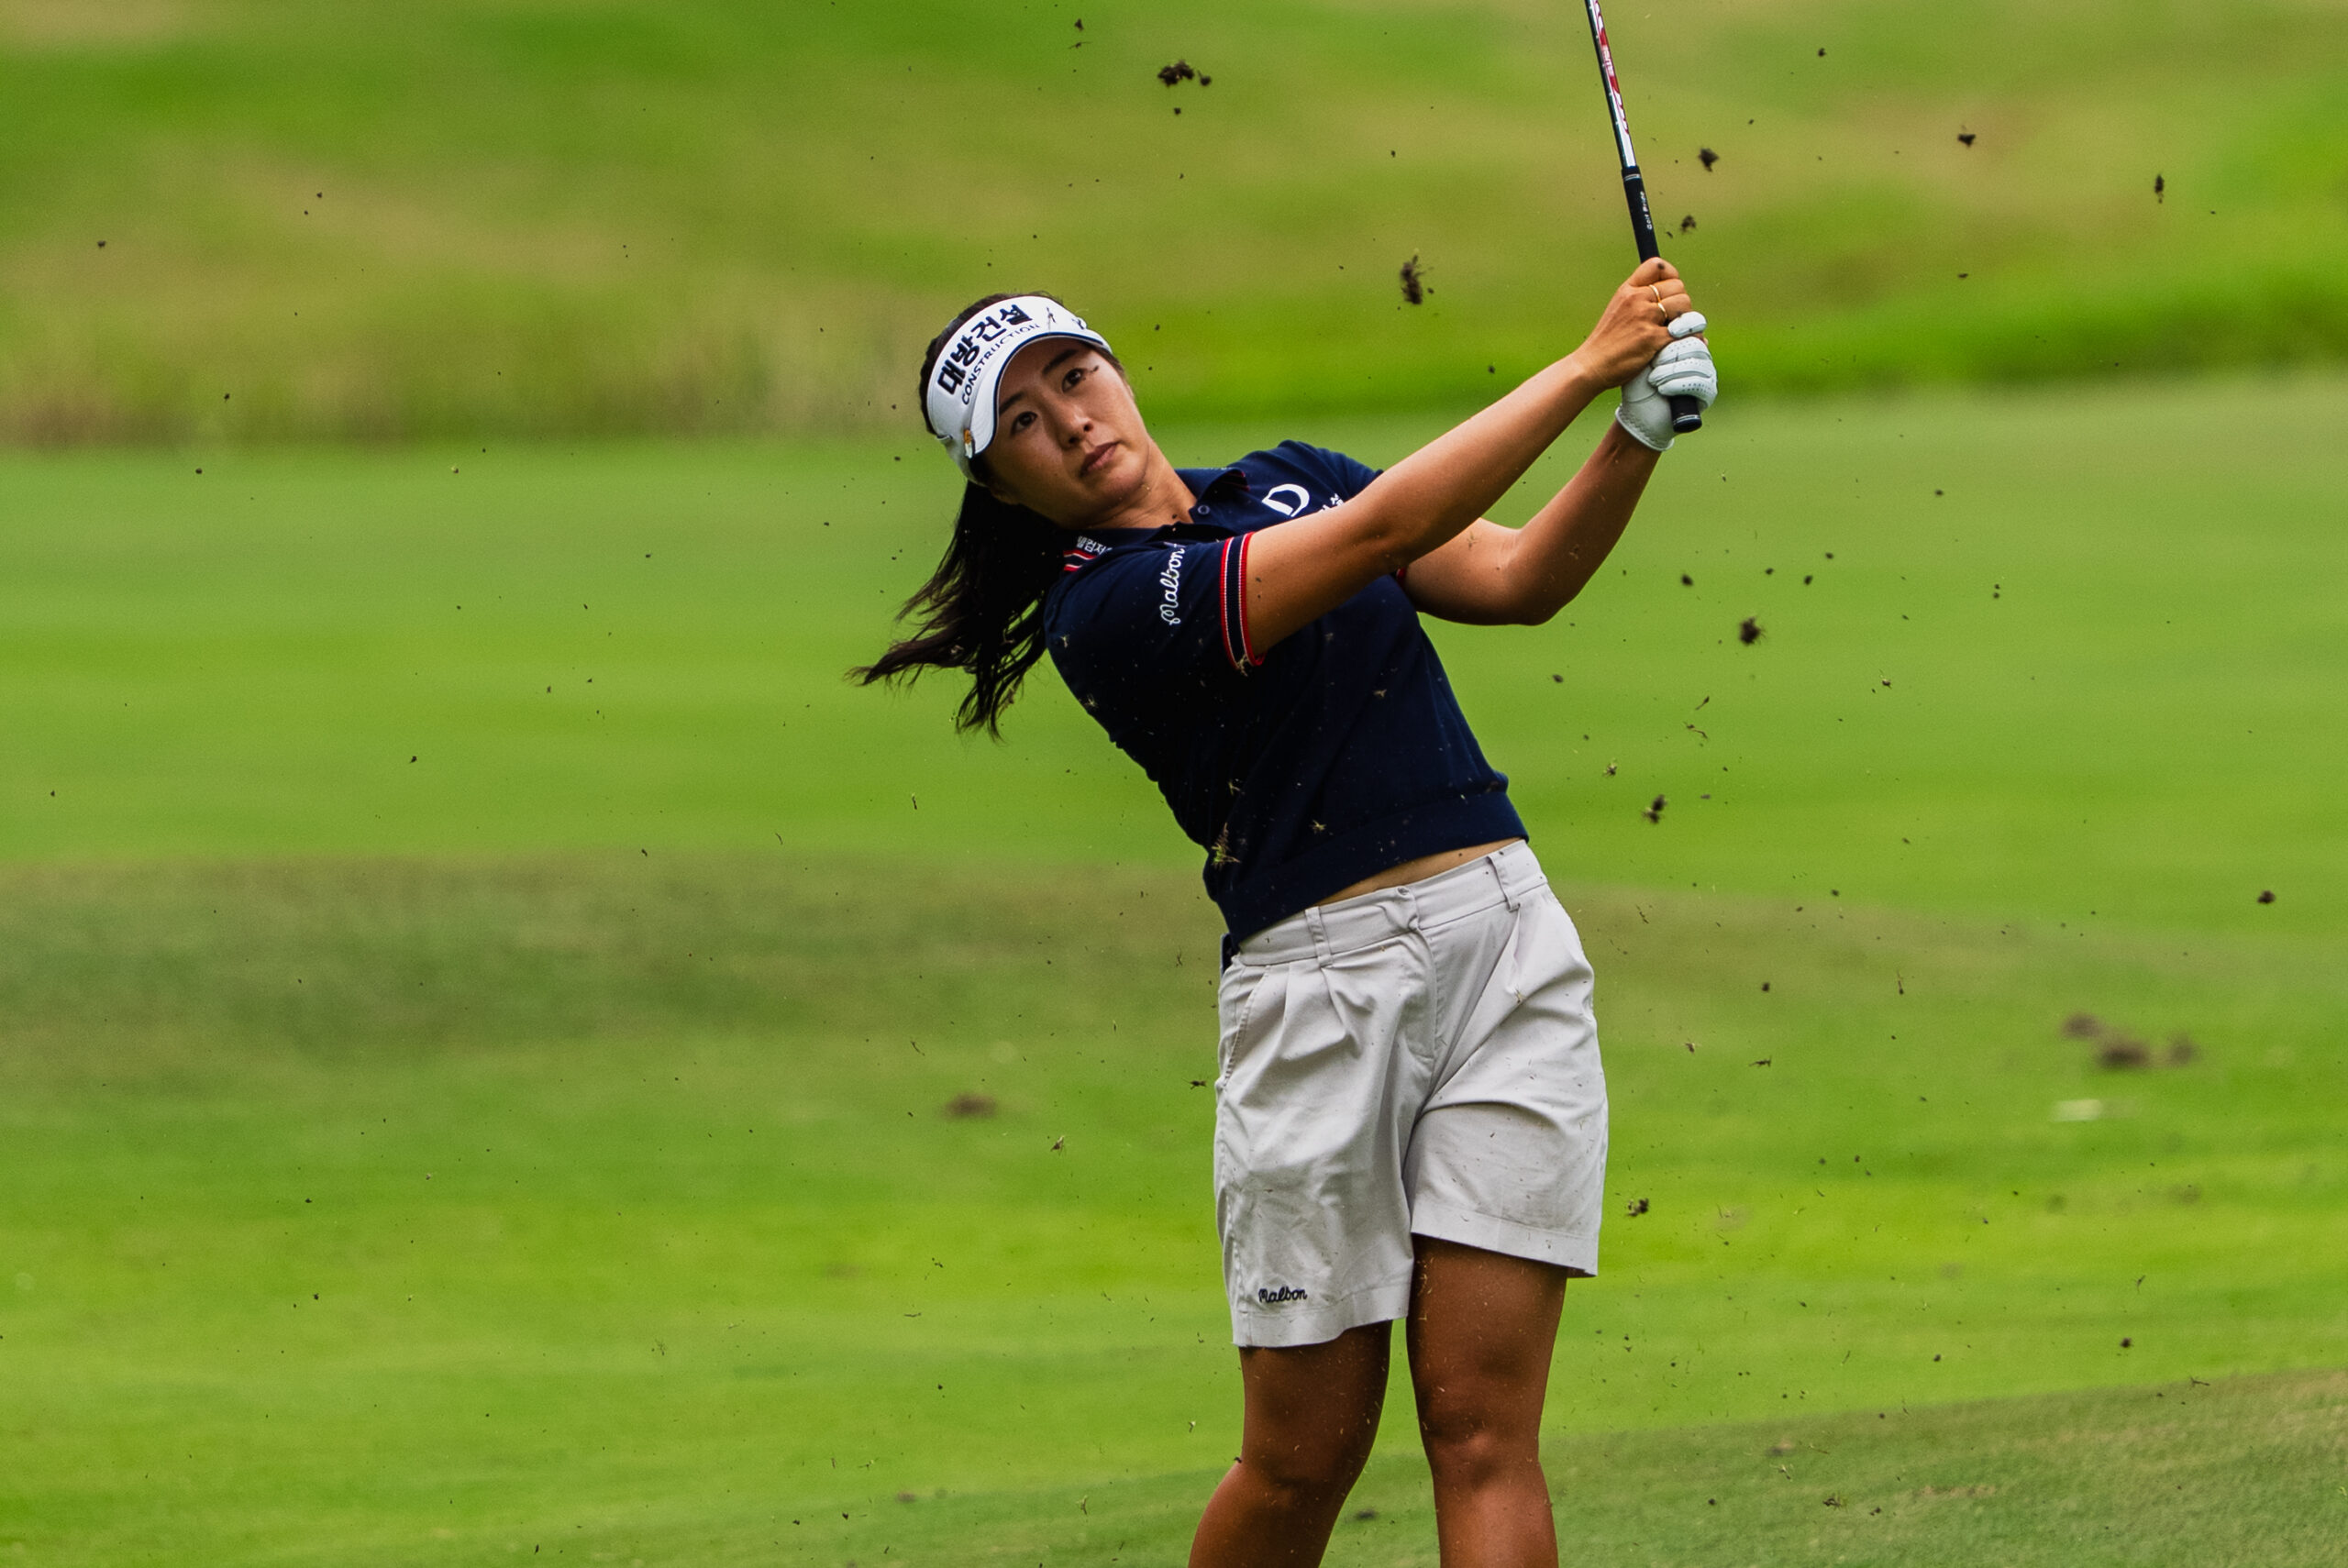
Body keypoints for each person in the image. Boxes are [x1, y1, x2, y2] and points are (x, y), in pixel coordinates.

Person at [859, 264, 1715, 1567]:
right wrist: (1589, 364)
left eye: (1073, 376)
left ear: (1117, 369)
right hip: (1320, 993)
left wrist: (1634, 437)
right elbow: (1376, 540)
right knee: (1301, 1459)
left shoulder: (1290, 476)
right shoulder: (1105, 607)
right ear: (998, 484)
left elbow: (1519, 578)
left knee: (1484, 1431)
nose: (1071, 419)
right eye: (1021, 421)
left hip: (1503, 946)